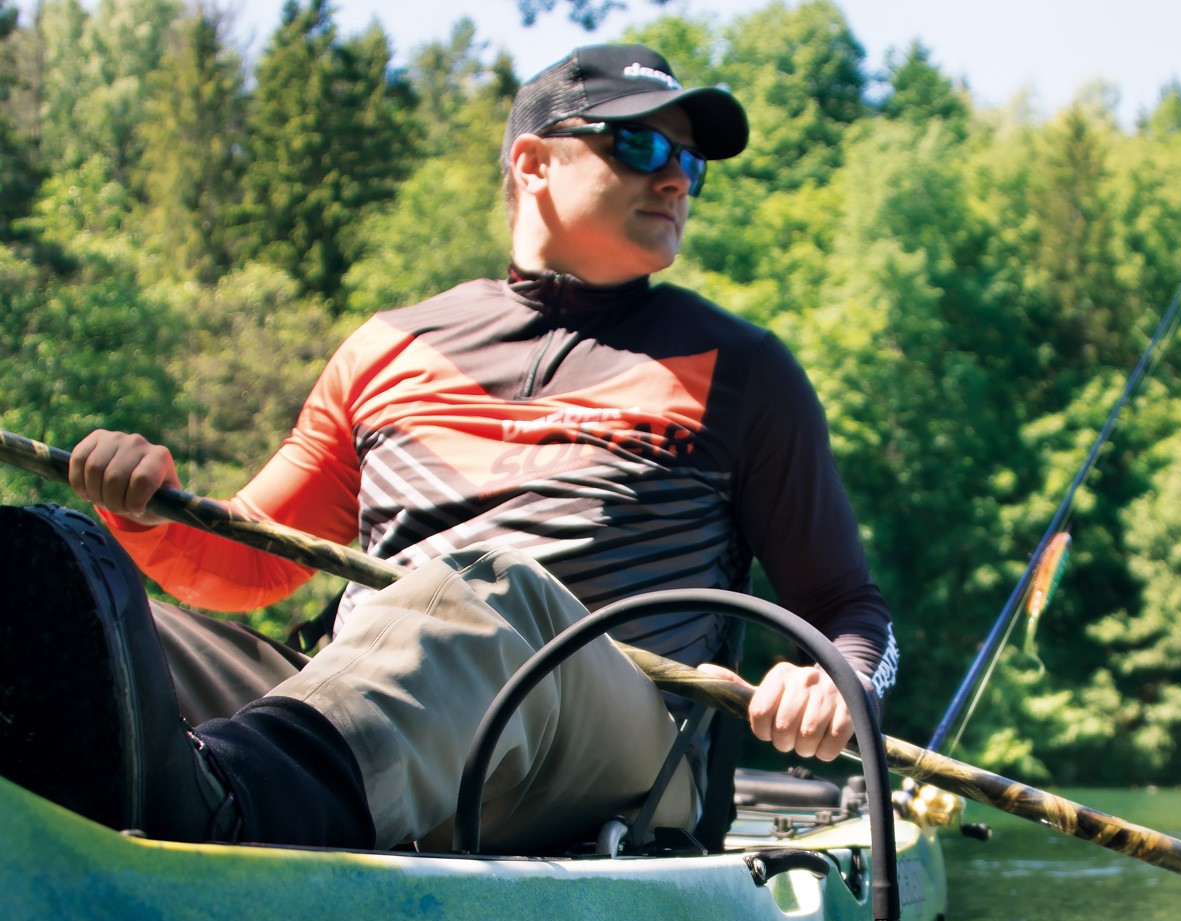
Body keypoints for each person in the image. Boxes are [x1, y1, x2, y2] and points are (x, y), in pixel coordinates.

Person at [0, 44, 896, 853]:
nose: (676, 182)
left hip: (621, 756)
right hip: (368, 709)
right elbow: (247, 564)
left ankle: (229, 815)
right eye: (643, 148)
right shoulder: (389, 347)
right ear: (533, 163)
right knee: (88, 617)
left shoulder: (744, 371)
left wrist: (834, 680)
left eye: (689, 163)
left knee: (486, 585)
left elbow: (852, 608)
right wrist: (141, 511)